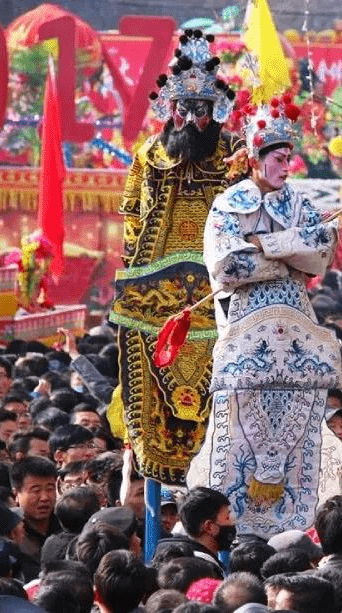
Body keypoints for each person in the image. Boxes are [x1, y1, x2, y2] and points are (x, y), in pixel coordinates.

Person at [187, 90, 342, 539]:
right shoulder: (228, 205)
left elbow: (321, 253)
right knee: (237, 432)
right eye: (278, 157)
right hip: (245, 331)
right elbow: (228, 266)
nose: (286, 165)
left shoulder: (299, 203)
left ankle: (297, 527)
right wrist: (288, 254)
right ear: (256, 158)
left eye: (290, 156)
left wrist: (270, 246)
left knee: (300, 431)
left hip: (296, 330)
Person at [109, 29, 241, 484]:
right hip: (153, 291)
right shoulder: (149, 153)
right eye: (183, 109)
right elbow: (131, 215)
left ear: (216, 110)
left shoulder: (234, 155)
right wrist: (136, 270)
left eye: (201, 109)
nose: (190, 118)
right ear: (170, 109)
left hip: (219, 290)